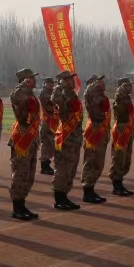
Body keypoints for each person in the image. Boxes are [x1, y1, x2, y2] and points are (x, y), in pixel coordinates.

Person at [7, 69, 41, 220]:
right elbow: (15, 98)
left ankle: (22, 204)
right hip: (22, 138)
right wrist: (22, 86)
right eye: (31, 78)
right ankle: (17, 208)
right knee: (20, 173)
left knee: (29, 174)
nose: (34, 80)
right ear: (25, 80)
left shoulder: (30, 94)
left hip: (31, 138)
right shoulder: (19, 92)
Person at [52, 71, 83, 210]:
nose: (73, 81)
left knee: (71, 169)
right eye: (70, 79)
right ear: (64, 81)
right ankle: (59, 199)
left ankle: (64, 196)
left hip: (74, 138)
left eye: (72, 79)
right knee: (63, 169)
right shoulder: (61, 93)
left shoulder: (71, 94)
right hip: (66, 137)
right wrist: (59, 86)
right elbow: (54, 100)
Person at [81, 75, 110, 203]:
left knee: (98, 162)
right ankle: (87, 191)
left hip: (100, 128)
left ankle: (91, 189)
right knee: (91, 161)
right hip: (94, 129)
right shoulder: (91, 94)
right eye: (99, 81)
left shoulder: (99, 95)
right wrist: (96, 87)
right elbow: (94, 101)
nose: (102, 83)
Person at [109, 77, 134, 196]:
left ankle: (120, 182)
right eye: (129, 85)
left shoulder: (127, 97)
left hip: (128, 128)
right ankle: (116, 185)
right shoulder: (120, 96)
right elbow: (119, 101)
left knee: (125, 157)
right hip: (121, 129)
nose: (131, 87)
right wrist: (122, 88)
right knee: (119, 157)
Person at [38, 77, 57, 176]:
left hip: (51, 121)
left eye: (52, 83)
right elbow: (50, 105)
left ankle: (46, 164)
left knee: (50, 144)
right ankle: (44, 166)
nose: (52, 85)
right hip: (47, 122)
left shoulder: (51, 92)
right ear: (45, 84)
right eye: (49, 83)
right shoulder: (45, 93)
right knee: (46, 144)